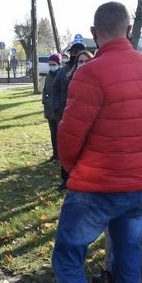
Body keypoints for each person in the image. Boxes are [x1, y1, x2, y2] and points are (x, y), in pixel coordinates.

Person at [52, 2, 142, 283]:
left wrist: (73, 168)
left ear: (93, 33)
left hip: (95, 187)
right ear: (129, 30)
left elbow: (69, 135)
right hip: (136, 186)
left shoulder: (90, 73)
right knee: (128, 263)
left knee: (66, 258)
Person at [51, 42, 87, 189]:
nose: (73, 54)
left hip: (84, 116)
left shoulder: (91, 70)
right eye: (72, 52)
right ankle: (65, 179)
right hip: (65, 114)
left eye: (77, 52)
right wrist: (58, 108)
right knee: (66, 147)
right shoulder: (64, 71)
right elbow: (55, 90)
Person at [41, 54, 61, 161]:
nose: (52, 66)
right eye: (50, 64)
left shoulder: (61, 74)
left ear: (58, 64)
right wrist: (45, 100)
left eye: (54, 64)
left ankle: (61, 155)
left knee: (59, 134)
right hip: (49, 109)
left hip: (58, 109)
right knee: (53, 133)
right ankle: (55, 154)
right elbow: (45, 90)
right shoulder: (48, 75)